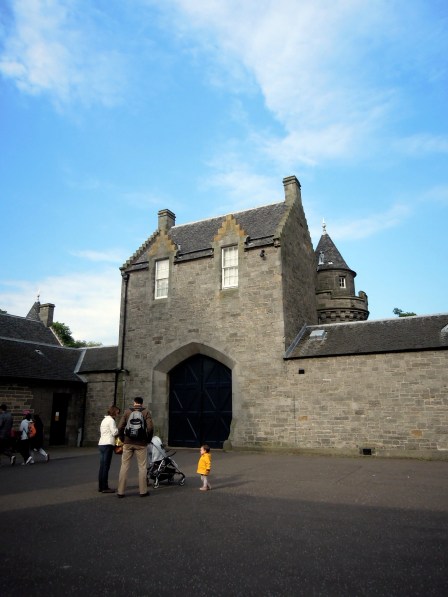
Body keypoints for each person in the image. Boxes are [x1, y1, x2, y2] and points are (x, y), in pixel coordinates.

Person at [117, 397, 153, 498]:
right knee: (142, 467)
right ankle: (143, 491)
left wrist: (122, 438)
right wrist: (148, 439)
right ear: (142, 403)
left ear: (134, 403)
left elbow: (120, 427)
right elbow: (150, 428)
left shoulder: (127, 411)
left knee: (124, 466)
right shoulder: (146, 412)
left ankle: (120, 491)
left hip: (128, 442)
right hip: (141, 443)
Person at [98, 405, 120, 493]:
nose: (118, 414)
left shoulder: (104, 420)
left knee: (102, 466)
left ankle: (101, 486)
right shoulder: (111, 420)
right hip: (108, 444)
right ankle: (105, 487)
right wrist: (120, 429)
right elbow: (115, 432)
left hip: (102, 443)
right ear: (114, 412)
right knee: (106, 466)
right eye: (117, 412)